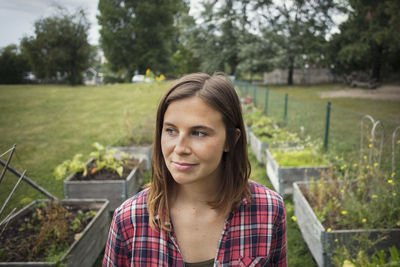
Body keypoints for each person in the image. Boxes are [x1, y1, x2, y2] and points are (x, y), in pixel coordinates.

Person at [103, 73, 287, 267]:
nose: (180, 148)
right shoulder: (128, 220)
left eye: (199, 133)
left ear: (231, 140)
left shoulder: (269, 210)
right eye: (171, 130)